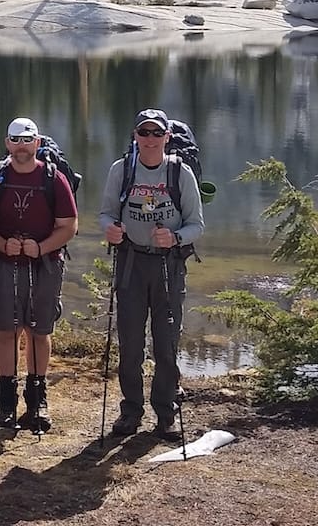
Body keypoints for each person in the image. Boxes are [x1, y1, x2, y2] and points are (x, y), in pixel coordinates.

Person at [100, 108, 205, 440]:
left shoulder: (180, 174)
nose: (149, 139)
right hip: (131, 263)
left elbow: (196, 225)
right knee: (130, 344)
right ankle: (130, 412)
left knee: (166, 344)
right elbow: (105, 214)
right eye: (143, 133)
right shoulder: (122, 171)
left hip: (168, 266)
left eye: (155, 133)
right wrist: (111, 231)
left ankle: (166, 413)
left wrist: (174, 237)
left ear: (166, 138)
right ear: (135, 136)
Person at [0, 117, 78, 432]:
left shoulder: (54, 179)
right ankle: (6, 406)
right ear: (7, 143)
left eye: (27, 140)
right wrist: (2, 245)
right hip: (4, 264)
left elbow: (69, 226)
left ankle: (37, 403)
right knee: (6, 330)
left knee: (38, 331)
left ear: (37, 143)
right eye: (15, 140)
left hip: (44, 265)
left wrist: (42, 247)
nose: (21, 147)